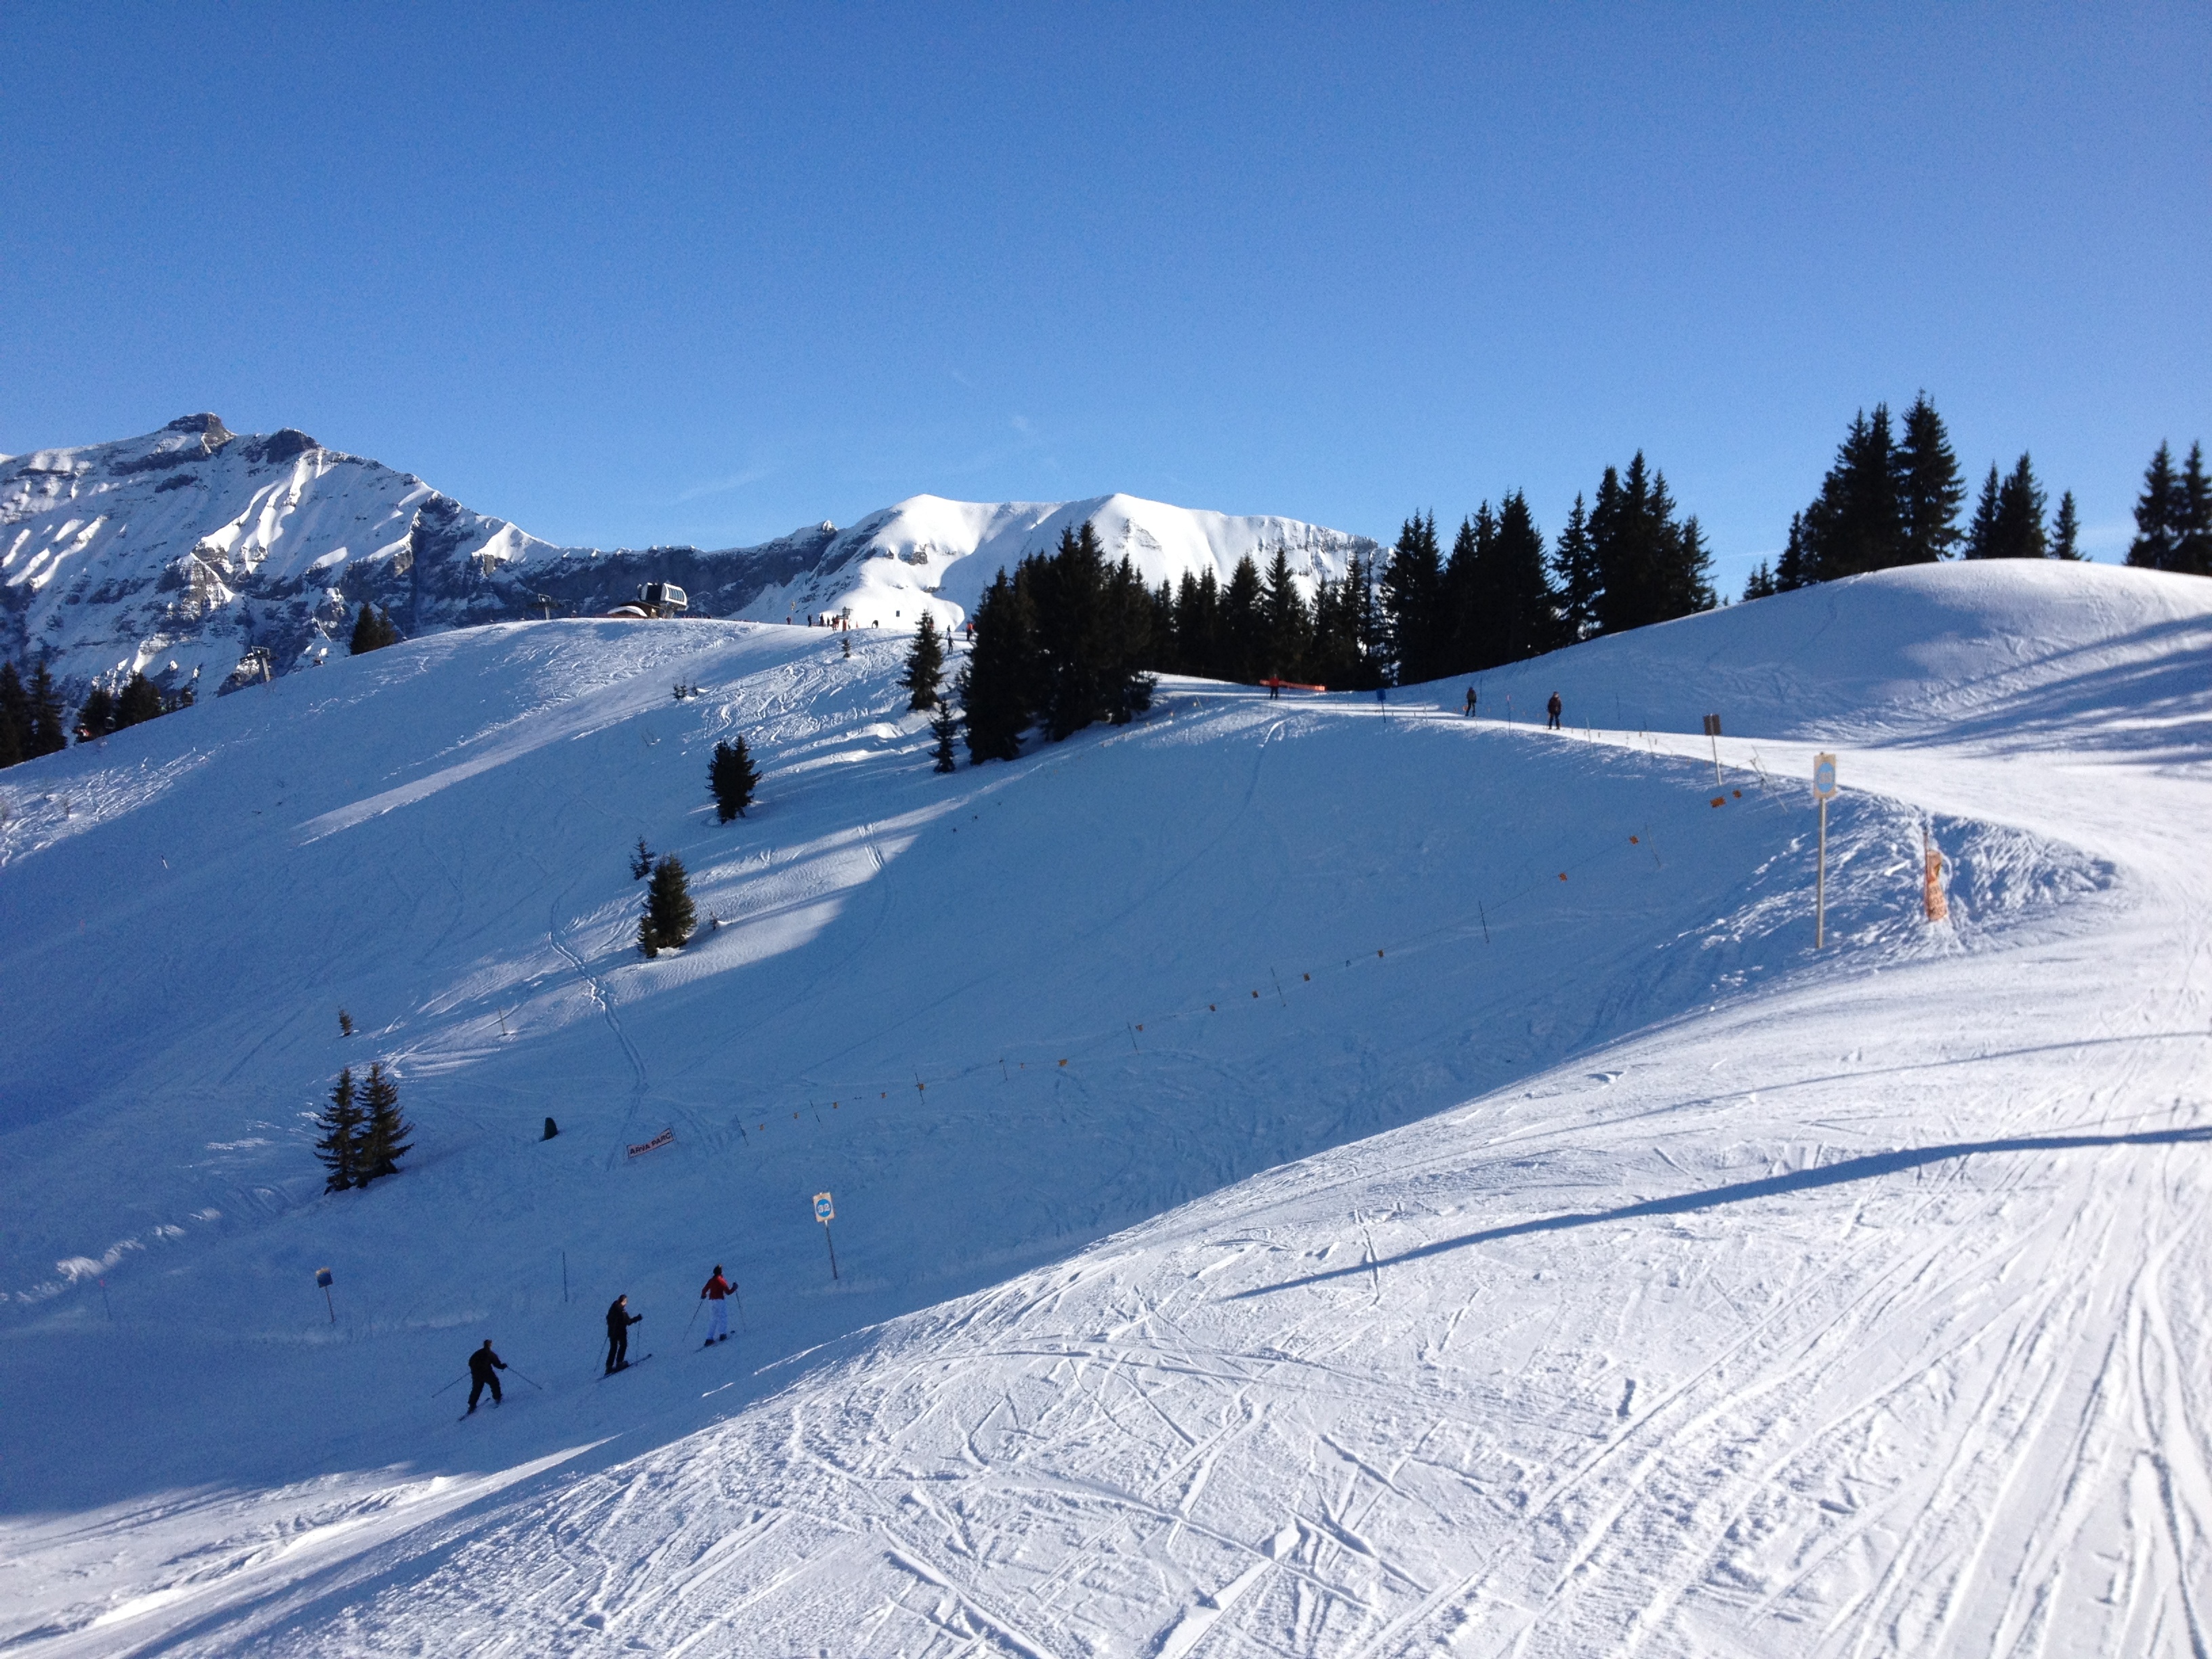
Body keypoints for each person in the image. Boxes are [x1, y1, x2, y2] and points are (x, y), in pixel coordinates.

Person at [605, 1294, 642, 1373]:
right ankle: (619, 1363)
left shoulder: (613, 1308)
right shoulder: (621, 1311)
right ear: (622, 1301)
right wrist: (637, 1318)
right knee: (623, 1345)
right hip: (620, 1332)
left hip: (612, 1332)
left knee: (613, 1348)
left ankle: (609, 1366)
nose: (626, 1303)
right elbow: (628, 1322)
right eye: (625, 1301)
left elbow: (609, 1319)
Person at [467, 1339, 506, 1412]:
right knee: (495, 1383)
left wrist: (474, 1369)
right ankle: (498, 1398)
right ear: (489, 1345)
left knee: (477, 1388)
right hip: (487, 1372)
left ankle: (472, 1405)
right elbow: (497, 1364)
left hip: (476, 1374)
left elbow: (470, 1362)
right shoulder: (490, 1353)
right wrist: (503, 1366)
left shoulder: (477, 1353)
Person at [700, 1265, 735, 1346]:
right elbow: (728, 1292)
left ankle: (709, 1338)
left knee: (713, 1319)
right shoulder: (721, 1280)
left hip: (711, 1302)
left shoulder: (711, 1280)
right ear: (720, 1272)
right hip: (720, 1301)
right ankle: (722, 1334)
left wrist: (703, 1295)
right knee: (723, 1316)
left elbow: (704, 1290)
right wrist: (734, 1288)